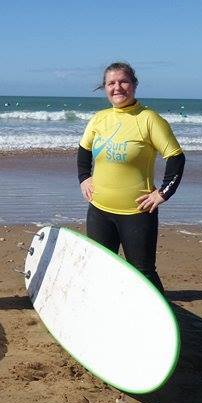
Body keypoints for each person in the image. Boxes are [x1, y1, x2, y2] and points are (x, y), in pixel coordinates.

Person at [77, 62, 185, 292]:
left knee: (143, 272)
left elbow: (176, 157)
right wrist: (84, 177)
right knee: (99, 267)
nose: (117, 87)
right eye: (111, 83)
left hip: (137, 213)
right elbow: (84, 149)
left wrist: (163, 193)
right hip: (99, 210)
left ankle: (157, 315)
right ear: (105, 88)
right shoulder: (99, 119)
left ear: (134, 85)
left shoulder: (149, 119)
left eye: (123, 81)